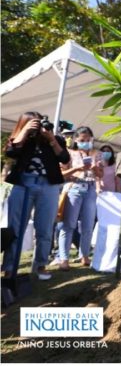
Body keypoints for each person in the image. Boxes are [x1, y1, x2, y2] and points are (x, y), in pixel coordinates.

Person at [1, 112, 70, 280]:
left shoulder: (53, 139)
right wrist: (24, 132)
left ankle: (40, 265)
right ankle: (10, 267)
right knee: (16, 227)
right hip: (22, 184)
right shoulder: (22, 140)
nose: (37, 127)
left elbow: (64, 158)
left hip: (48, 185)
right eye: (33, 123)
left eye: (38, 123)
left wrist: (51, 138)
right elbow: (10, 152)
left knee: (45, 228)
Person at [58, 126, 102, 270]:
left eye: (88, 139)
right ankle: (63, 258)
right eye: (82, 140)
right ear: (76, 140)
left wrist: (95, 168)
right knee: (69, 224)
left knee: (88, 225)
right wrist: (77, 169)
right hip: (74, 187)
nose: (85, 142)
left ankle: (84, 255)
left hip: (90, 189)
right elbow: (61, 173)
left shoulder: (97, 153)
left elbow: (100, 175)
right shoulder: (69, 153)